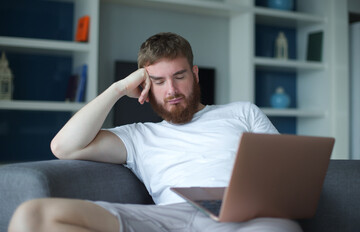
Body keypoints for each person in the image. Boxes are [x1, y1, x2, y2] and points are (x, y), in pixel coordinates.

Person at [8, 32, 302, 232]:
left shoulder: (242, 112)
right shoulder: (138, 136)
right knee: (31, 216)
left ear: (195, 74)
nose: (171, 90)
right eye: (158, 81)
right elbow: (63, 147)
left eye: (179, 76)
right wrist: (117, 89)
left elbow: (286, 178)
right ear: (145, 86)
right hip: (170, 219)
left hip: (246, 219)